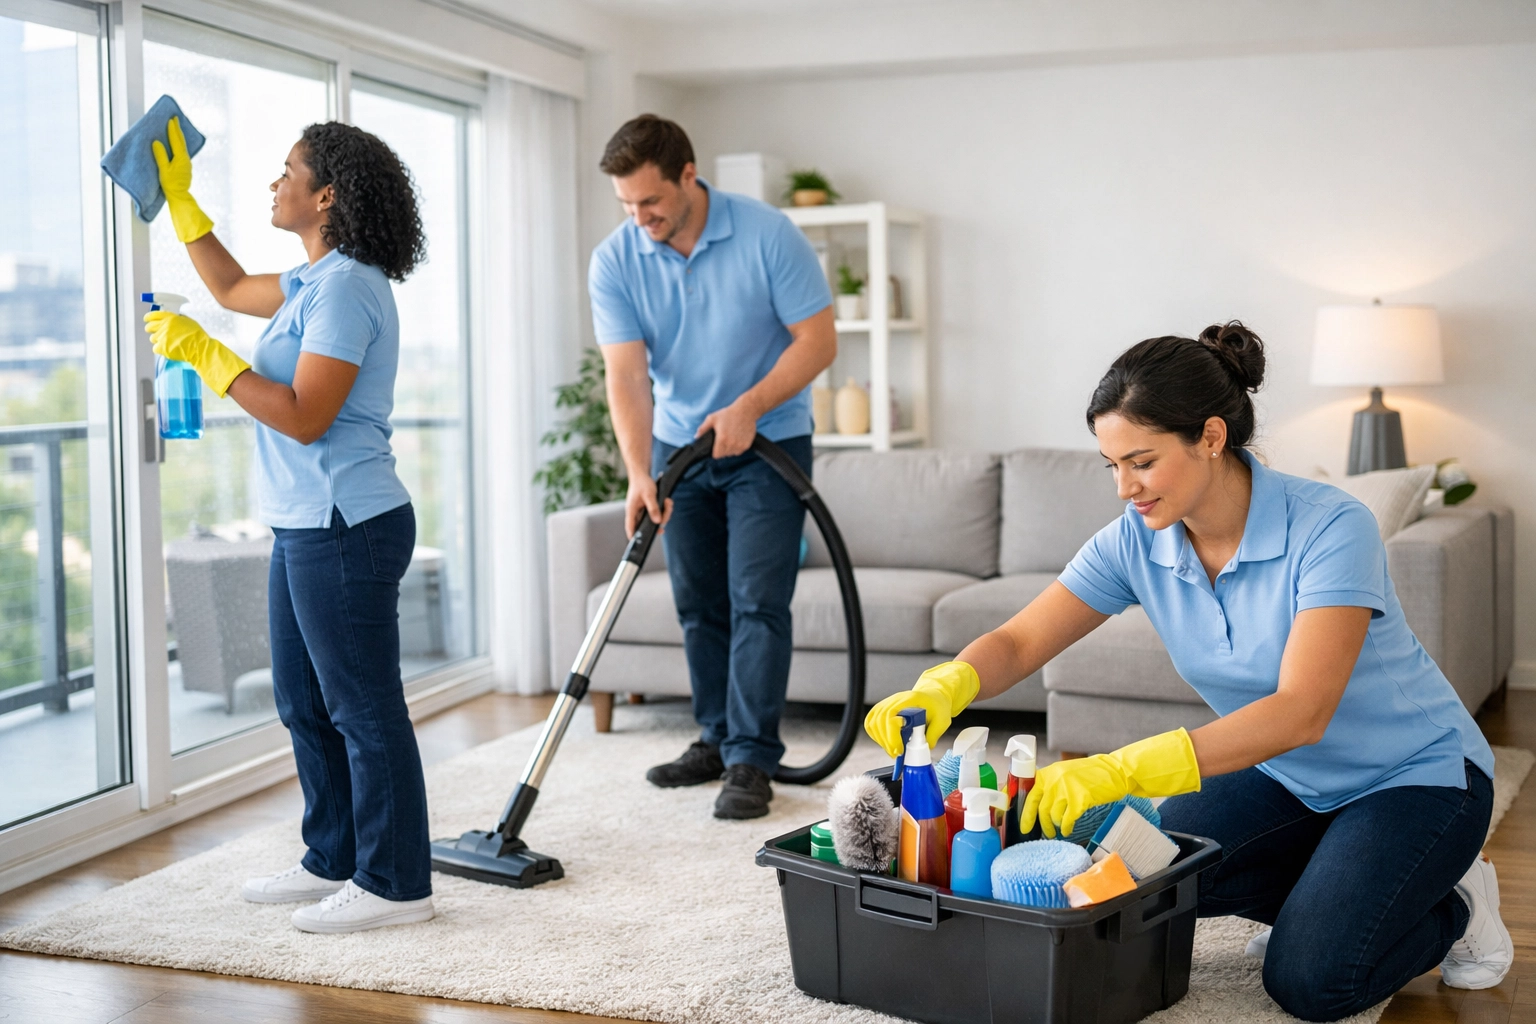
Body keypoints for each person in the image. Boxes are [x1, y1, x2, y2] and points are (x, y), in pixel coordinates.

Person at [864, 323, 1510, 1021]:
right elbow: (1021, 641)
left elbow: (1302, 712)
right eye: (1111, 465)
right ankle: (1342, 885)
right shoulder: (1137, 541)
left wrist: (1118, 769)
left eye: (1140, 461)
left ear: (1209, 436)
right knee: (1144, 878)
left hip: (1415, 778)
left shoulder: (1330, 527)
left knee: (1313, 979)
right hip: (1288, 775)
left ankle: (1458, 905)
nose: (1124, 488)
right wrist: (946, 685)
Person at [144, 117, 434, 934]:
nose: (276, 184)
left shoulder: (346, 289)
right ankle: (334, 857)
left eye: (287, 172)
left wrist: (209, 358)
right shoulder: (316, 279)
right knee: (304, 702)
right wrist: (181, 203)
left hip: (347, 522)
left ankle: (396, 883)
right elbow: (233, 288)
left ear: (327, 195)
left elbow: (306, 417)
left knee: (363, 708)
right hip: (304, 523)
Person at [588, 115, 836, 819]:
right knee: (699, 603)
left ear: (688, 176)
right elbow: (627, 377)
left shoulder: (766, 235)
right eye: (627, 207)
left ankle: (752, 757)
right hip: (679, 447)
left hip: (770, 443)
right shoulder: (616, 260)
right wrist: (640, 471)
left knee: (758, 598)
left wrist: (750, 405)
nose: (640, 220)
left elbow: (818, 343)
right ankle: (714, 737)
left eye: (650, 203)